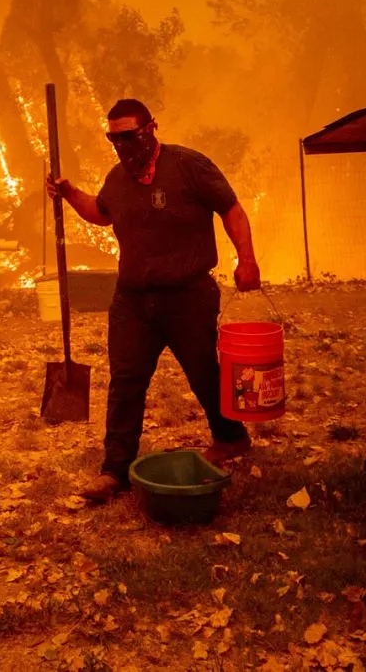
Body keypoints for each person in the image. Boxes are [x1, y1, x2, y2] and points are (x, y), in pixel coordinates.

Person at [47, 98, 261, 504]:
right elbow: (102, 212)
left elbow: (231, 209)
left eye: (129, 136)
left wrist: (246, 260)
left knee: (203, 371)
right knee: (126, 381)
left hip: (188, 295)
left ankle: (230, 437)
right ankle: (114, 471)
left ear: (151, 129)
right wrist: (71, 193)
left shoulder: (188, 166)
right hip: (132, 300)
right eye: (114, 139)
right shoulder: (117, 178)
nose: (123, 145)